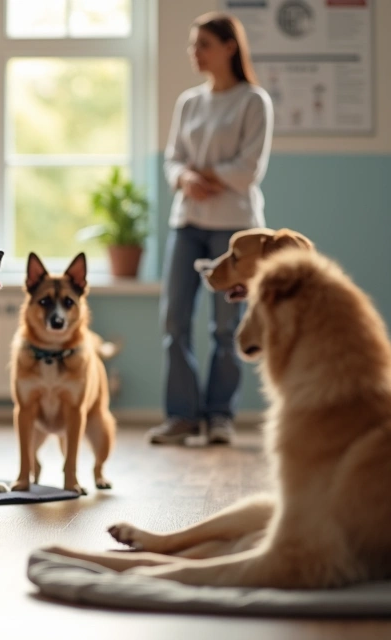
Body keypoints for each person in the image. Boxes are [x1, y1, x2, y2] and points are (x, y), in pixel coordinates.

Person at [147, 12, 273, 446]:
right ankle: (182, 417)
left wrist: (201, 176)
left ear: (228, 47)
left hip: (234, 229)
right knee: (174, 322)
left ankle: (220, 416)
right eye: (192, 45)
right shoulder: (189, 102)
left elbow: (248, 169)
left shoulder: (253, 101)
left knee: (226, 326)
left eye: (203, 44)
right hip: (187, 224)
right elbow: (172, 160)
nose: (194, 53)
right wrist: (185, 178)